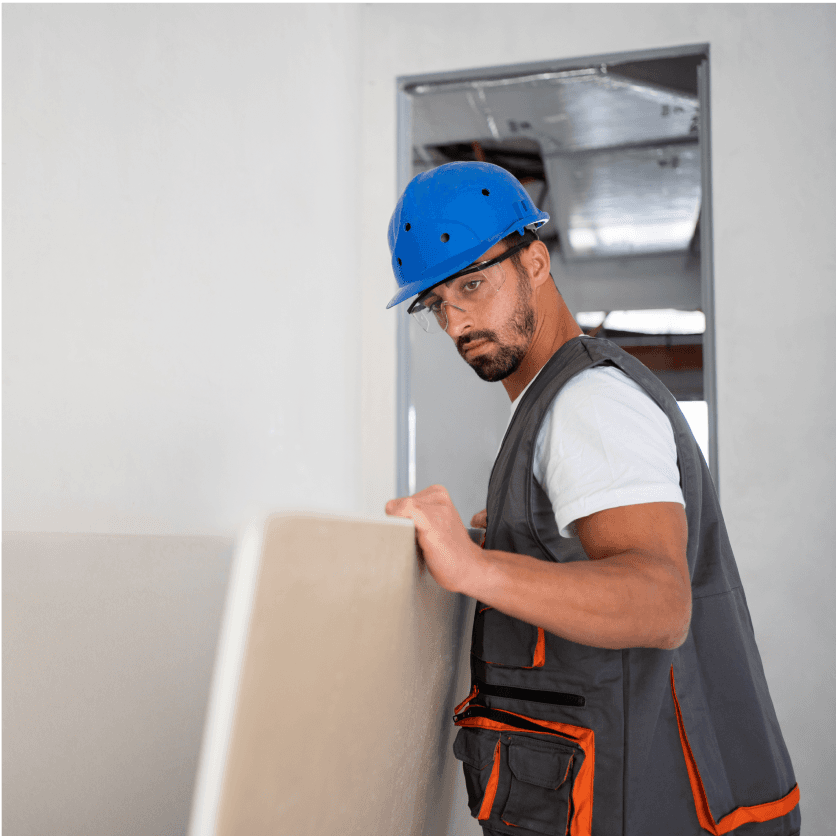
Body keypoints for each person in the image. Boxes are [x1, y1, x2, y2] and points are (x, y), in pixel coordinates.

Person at [384, 162, 800, 836]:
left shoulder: (587, 404)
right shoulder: (562, 399)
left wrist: (474, 566)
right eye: (437, 304)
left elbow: (661, 603)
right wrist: (517, 549)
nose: (457, 321)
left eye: (472, 284)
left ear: (537, 263)